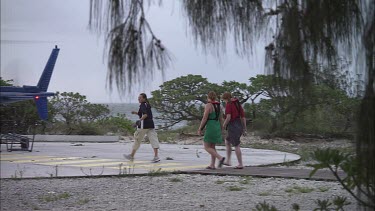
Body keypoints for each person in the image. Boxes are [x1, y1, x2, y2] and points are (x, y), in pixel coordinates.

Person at [124, 93, 161, 163]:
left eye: (140, 98)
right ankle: (156, 156)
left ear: (144, 98)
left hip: (144, 125)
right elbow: (144, 113)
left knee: (137, 139)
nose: (138, 99)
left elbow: (145, 115)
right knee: (154, 140)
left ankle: (131, 156)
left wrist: (139, 121)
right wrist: (135, 113)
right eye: (138, 98)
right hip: (151, 125)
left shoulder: (142, 105)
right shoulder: (147, 104)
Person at [197, 91, 226, 169]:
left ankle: (220, 158)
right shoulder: (218, 105)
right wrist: (222, 128)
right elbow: (221, 118)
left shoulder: (208, 105)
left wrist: (200, 128)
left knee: (206, 146)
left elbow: (205, 117)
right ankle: (212, 164)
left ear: (208, 97)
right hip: (216, 125)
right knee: (212, 146)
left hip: (210, 125)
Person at [222, 92, 246, 169]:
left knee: (236, 145)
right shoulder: (237, 104)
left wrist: (224, 124)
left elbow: (228, 117)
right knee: (227, 141)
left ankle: (240, 163)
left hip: (233, 125)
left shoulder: (229, 104)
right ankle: (228, 160)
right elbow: (243, 117)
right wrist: (244, 128)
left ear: (225, 99)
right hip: (239, 124)